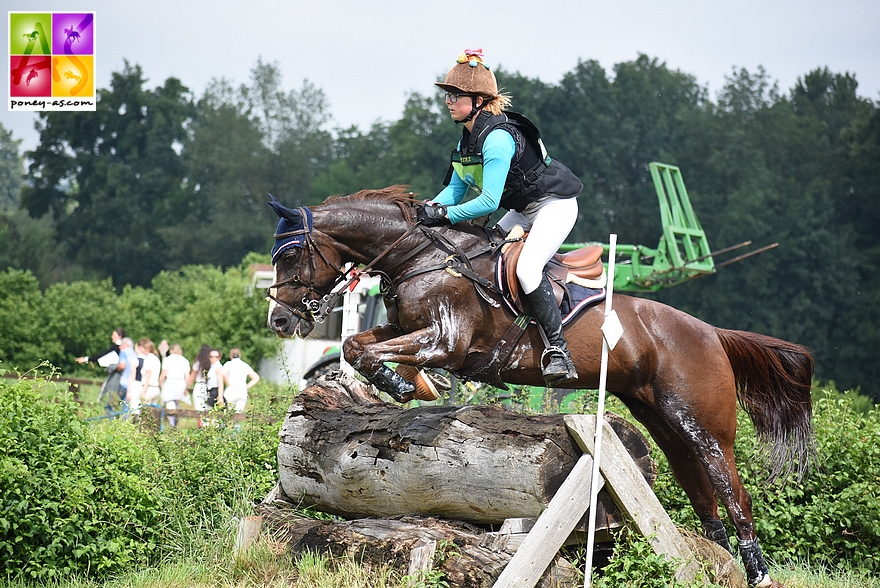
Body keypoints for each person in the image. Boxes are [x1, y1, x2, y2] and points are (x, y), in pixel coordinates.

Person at [420, 48, 584, 386]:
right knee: (484, 258)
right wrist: (423, 212)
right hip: (522, 210)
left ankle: (558, 351)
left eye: (455, 95)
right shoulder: (467, 139)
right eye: (448, 95)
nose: (448, 101)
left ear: (478, 100)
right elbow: (454, 191)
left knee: (526, 268)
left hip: (555, 206)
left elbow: (487, 201)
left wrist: (444, 216)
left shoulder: (496, 140)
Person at [158, 344, 190, 427]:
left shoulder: (168, 359)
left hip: (171, 383)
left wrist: (159, 383)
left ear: (171, 351)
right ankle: (175, 421)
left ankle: (172, 423)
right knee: (177, 404)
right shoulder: (184, 360)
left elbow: (163, 374)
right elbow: (187, 376)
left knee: (170, 403)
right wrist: (187, 387)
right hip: (181, 383)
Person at [223, 348, 260, 413]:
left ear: (230, 355)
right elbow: (256, 378)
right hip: (242, 390)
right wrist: (247, 386)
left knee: (229, 414)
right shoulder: (245, 365)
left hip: (231, 389)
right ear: (240, 355)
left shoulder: (228, 364)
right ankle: (236, 423)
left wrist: (227, 382)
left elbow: (223, 374)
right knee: (238, 413)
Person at [187, 345, 213, 412]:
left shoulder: (198, 362)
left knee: (199, 410)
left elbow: (192, 376)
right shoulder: (212, 363)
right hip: (210, 386)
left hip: (199, 385)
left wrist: (186, 387)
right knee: (208, 410)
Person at [138, 338, 162, 409]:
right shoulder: (156, 358)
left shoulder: (148, 359)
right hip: (156, 388)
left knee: (145, 412)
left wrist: (143, 392)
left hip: (149, 389)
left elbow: (148, 377)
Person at [117, 337, 139, 413]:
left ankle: (112, 422)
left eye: (121, 345)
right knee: (127, 407)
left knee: (112, 404)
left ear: (126, 345)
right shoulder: (135, 354)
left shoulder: (124, 352)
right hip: (132, 384)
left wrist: (114, 367)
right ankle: (125, 423)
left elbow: (122, 365)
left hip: (123, 382)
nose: (119, 347)